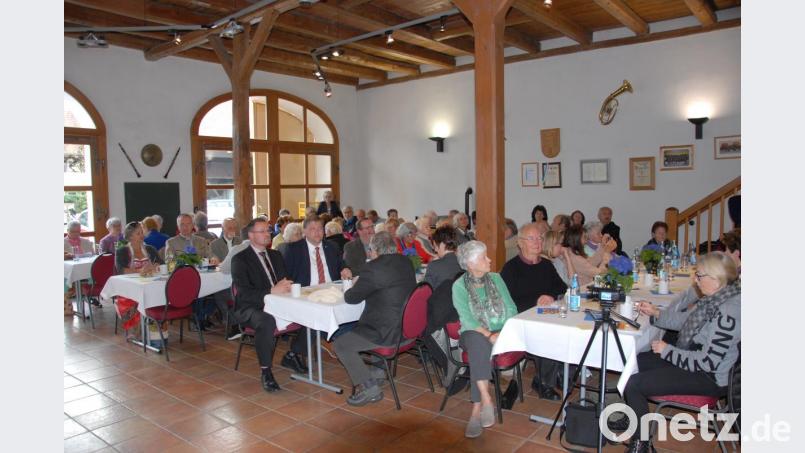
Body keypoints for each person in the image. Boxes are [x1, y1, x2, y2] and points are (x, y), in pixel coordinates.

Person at [618, 253, 741, 452]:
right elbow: (684, 320)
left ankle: (640, 444)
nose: (696, 280)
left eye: (699, 276)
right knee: (637, 361)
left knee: (634, 384)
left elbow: (707, 362)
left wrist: (668, 351)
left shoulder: (729, 312)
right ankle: (635, 417)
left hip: (710, 377)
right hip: (696, 359)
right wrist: (656, 313)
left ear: (716, 281)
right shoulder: (716, 298)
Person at [333, 231, 417, 406]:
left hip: (386, 334)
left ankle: (370, 388)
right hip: (407, 329)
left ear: (373, 250)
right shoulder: (405, 262)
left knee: (341, 344)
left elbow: (351, 298)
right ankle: (378, 373)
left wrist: (354, 284)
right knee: (379, 315)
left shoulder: (373, 268)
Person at [231, 218, 309, 392]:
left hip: (278, 302)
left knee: (310, 310)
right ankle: (266, 371)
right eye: (263, 231)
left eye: (268, 230)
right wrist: (270, 291)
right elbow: (243, 294)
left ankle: (293, 353)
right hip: (251, 306)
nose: (268, 234)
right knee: (266, 321)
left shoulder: (275, 255)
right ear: (251, 235)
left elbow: (284, 281)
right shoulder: (240, 260)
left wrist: (289, 287)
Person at [452, 240, 519, 438]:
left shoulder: (496, 278)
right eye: (483, 257)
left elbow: (512, 308)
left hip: (500, 330)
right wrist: (488, 334)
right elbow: (467, 319)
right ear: (471, 264)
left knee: (478, 350)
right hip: (472, 331)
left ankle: (477, 409)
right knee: (477, 342)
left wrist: (501, 332)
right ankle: (487, 399)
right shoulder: (459, 286)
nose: (489, 260)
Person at [500, 223, 568, 400]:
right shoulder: (511, 268)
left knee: (566, 325)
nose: (537, 242)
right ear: (520, 243)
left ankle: (560, 372)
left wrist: (550, 296)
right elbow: (507, 302)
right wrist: (535, 301)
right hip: (520, 320)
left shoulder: (546, 265)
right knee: (549, 331)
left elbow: (562, 287)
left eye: (540, 238)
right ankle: (543, 381)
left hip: (545, 314)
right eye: (531, 238)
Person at [114, 222, 162, 334]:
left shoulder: (150, 249)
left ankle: (154, 329)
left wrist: (155, 266)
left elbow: (161, 264)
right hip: (130, 288)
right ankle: (139, 331)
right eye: (138, 233)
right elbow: (122, 270)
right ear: (130, 236)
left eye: (142, 232)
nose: (142, 235)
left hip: (150, 285)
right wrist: (140, 271)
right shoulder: (122, 251)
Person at [284, 216, 352, 286]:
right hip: (306, 292)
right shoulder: (294, 250)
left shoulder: (332, 247)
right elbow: (287, 276)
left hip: (331, 290)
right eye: (313, 229)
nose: (317, 232)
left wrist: (345, 270)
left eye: (320, 228)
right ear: (304, 231)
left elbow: (342, 266)